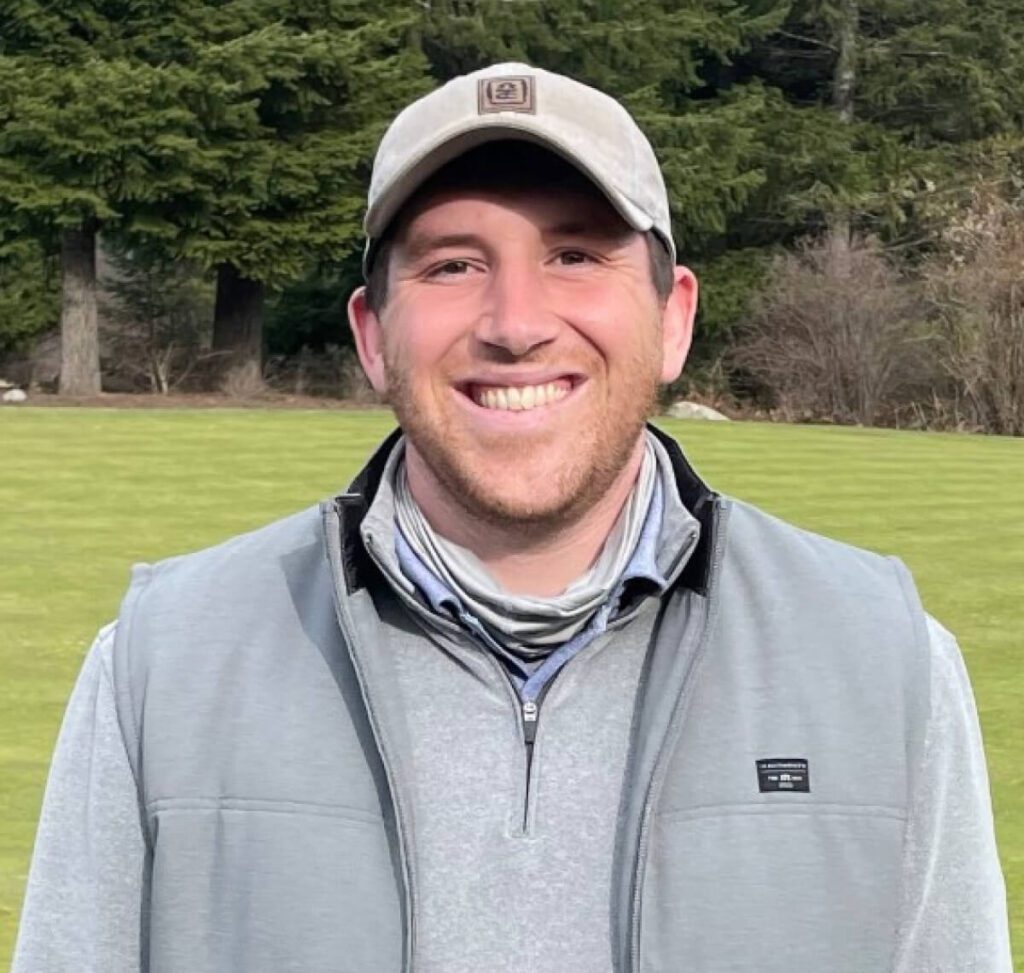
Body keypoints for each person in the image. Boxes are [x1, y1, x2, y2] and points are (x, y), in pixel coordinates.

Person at [13, 62, 1012, 973]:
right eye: (452, 264)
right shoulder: (165, 662)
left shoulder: (882, 661)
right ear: (371, 334)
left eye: (576, 254)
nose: (517, 321)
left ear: (673, 318)